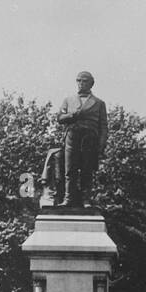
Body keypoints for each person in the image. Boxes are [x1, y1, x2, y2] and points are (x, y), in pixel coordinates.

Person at [49, 71, 108, 207]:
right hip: (72, 136)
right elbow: (59, 118)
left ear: (91, 84)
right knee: (70, 168)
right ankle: (68, 198)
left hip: (89, 138)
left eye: (84, 81)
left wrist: (101, 145)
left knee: (87, 169)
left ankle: (86, 199)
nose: (81, 83)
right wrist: (73, 115)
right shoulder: (68, 100)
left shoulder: (99, 103)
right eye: (79, 80)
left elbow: (103, 126)